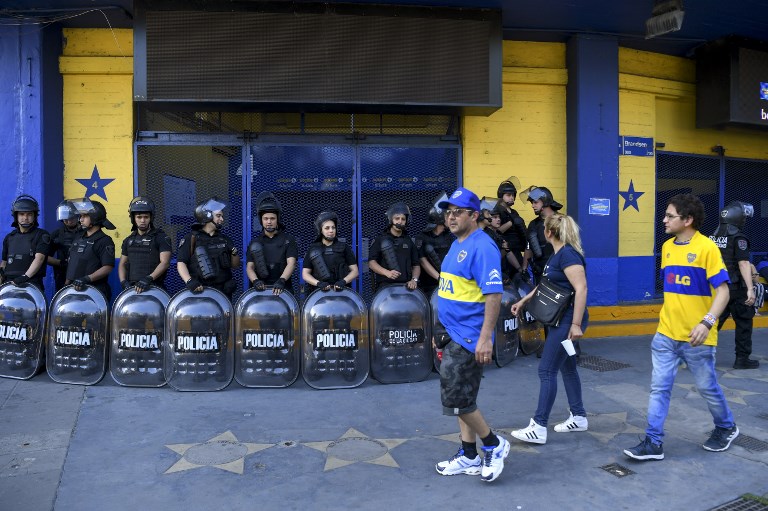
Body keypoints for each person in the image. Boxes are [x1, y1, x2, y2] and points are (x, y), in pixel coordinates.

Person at [624, 193, 738, 461]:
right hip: (665, 335)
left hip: (697, 338)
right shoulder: (666, 248)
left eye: (670, 216)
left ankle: (726, 426)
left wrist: (707, 323)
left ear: (687, 220)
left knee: (707, 387)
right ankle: (653, 442)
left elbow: (723, 291)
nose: (663, 220)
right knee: (659, 388)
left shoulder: (707, 248)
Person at [433, 187, 509, 483]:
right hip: (452, 333)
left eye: (457, 212)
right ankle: (468, 455)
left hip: (469, 337)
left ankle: (493, 444)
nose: (450, 217)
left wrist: (485, 338)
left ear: (474, 215)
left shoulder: (483, 246)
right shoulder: (457, 243)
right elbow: (453, 289)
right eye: (447, 212)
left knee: (455, 399)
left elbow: (493, 295)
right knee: (464, 398)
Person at [509, 214, 589, 444]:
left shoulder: (568, 255)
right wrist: (523, 301)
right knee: (567, 368)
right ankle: (579, 416)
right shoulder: (558, 255)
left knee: (546, 371)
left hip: (566, 321)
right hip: (560, 320)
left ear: (549, 232)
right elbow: (546, 285)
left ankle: (539, 426)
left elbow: (581, 288)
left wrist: (575, 324)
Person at [710, 201, 759, 369]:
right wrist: (750, 289)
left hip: (718, 287)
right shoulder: (739, 238)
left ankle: (700, 355)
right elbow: (743, 264)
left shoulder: (714, 236)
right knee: (744, 322)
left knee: (713, 322)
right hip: (736, 288)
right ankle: (742, 359)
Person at [177, 197, 240, 301]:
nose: (222, 219)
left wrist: (234, 252)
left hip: (223, 293)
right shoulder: (191, 238)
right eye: (218, 216)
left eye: (222, 216)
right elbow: (181, 263)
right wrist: (189, 281)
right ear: (207, 216)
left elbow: (235, 265)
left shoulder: (224, 239)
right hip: (200, 291)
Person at [246, 192, 298, 295]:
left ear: (277, 219)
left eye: (272, 218)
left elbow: (291, 263)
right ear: (261, 220)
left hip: (283, 289)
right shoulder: (255, 242)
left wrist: (282, 280)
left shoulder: (288, 240)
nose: (269, 222)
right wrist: (255, 281)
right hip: (260, 290)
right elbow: (249, 267)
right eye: (266, 219)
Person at [118, 196, 172, 293]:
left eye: (146, 217)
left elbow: (165, 263)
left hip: (154, 288)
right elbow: (122, 264)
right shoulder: (128, 240)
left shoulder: (161, 237)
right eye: (139, 217)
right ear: (133, 218)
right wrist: (123, 282)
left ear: (151, 218)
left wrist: (148, 279)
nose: (142, 220)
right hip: (132, 289)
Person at [66, 198, 116, 303]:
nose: (80, 220)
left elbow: (108, 267)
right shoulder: (79, 238)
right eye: (81, 216)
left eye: (85, 216)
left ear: (95, 218)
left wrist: (87, 279)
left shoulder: (104, 240)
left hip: (95, 292)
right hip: (74, 291)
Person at [1, 195, 51, 292]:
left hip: (31, 283)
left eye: (29, 214)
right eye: (22, 214)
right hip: (9, 284)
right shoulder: (9, 237)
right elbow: (4, 262)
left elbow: (39, 259)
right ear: (16, 216)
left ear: (34, 216)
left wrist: (25, 277)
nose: (25, 218)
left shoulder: (42, 235)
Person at [301, 211, 359, 293]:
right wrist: (318, 283)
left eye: (333, 227)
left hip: (341, 292)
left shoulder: (344, 247)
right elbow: (305, 274)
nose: (331, 231)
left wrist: (343, 281)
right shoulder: (313, 249)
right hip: (318, 293)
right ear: (321, 230)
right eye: (327, 228)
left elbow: (355, 271)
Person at [368, 202, 420, 291]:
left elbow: (416, 265)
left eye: (403, 219)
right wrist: (386, 273)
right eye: (397, 218)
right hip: (385, 287)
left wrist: (414, 280)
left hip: (406, 287)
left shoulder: (409, 241)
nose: (400, 221)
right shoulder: (380, 239)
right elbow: (371, 263)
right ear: (391, 219)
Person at [521, 186, 562, 283]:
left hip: (558, 271)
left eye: (535, 202)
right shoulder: (533, 224)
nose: (532, 206)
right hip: (539, 272)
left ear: (545, 201)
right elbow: (528, 247)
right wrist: (524, 269)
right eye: (532, 203)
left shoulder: (561, 221)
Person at [415, 199, 453, 297]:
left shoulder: (449, 236)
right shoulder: (422, 237)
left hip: (448, 283)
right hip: (428, 285)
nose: (451, 218)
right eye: (447, 216)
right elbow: (422, 261)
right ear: (440, 218)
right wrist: (439, 278)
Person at [48, 200, 81, 292]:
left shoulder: (86, 232)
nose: (69, 221)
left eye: (71, 217)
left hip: (83, 275)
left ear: (77, 216)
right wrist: (61, 263)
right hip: (62, 275)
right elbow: (43, 257)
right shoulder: (57, 234)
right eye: (65, 218)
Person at [495, 178, 526, 277]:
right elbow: (497, 231)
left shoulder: (514, 212)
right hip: (505, 253)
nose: (511, 198)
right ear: (501, 196)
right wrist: (511, 222)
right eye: (508, 195)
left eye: (513, 195)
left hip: (516, 252)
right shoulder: (497, 210)